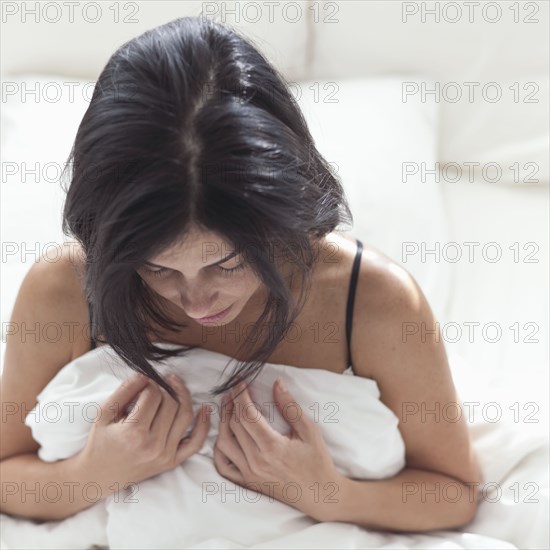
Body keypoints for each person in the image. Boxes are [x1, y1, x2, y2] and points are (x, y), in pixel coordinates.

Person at [0, 15, 482, 532]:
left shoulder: (374, 301)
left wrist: (325, 493)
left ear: (284, 218)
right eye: (157, 268)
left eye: (227, 263)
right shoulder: (65, 289)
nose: (197, 300)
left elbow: (453, 493)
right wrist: (92, 474)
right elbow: (7, 473)